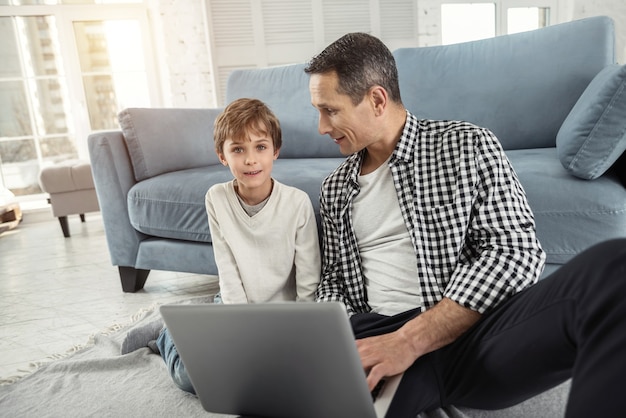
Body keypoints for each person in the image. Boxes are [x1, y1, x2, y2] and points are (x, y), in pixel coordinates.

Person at [305, 32, 626, 417]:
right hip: (374, 335)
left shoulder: (467, 145)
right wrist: (335, 345)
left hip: (469, 334)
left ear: (376, 100)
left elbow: (515, 253)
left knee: (615, 270)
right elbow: (334, 281)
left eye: (331, 110)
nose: (322, 126)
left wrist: (410, 340)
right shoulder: (335, 187)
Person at [121, 98, 321, 394]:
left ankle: (196, 326)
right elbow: (226, 269)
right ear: (222, 156)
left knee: (287, 376)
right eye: (238, 149)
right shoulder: (217, 198)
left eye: (260, 147)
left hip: (284, 317)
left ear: (276, 151)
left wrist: (301, 333)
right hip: (233, 308)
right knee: (193, 378)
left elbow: (309, 281)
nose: (251, 159)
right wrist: (243, 334)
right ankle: (167, 335)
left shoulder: (297, 203)